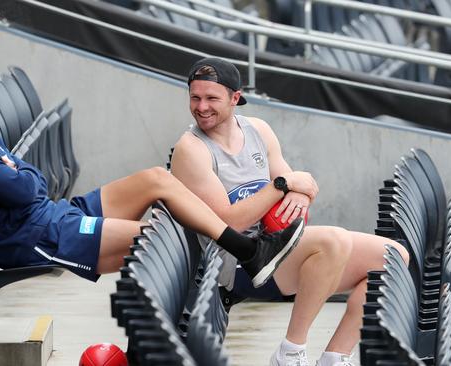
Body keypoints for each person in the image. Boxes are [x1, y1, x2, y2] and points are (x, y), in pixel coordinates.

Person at [0, 49, 305, 291]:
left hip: (51, 214)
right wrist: (20, 173)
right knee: (161, 241)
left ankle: (245, 250)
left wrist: (19, 171)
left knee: (156, 179)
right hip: (37, 235)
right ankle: (247, 254)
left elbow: (28, 178)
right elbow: (26, 189)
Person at [170, 57, 410, 366]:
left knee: (393, 257)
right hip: (237, 264)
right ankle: (290, 352)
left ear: (235, 97)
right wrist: (283, 185)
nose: (201, 107)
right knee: (332, 241)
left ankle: (335, 358)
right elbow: (225, 223)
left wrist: (300, 193)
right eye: (195, 97)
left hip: (277, 247)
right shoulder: (191, 149)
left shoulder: (258, 130)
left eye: (211, 98)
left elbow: (299, 190)